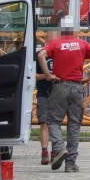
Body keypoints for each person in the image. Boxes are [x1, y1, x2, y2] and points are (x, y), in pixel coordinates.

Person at [38, 28, 90, 173]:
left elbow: (41, 55)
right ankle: (70, 164)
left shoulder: (55, 44)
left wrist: (48, 75)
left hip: (60, 86)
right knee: (74, 125)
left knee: (54, 121)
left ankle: (59, 148)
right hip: (77, 88)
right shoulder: (82, 44)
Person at [35, 36, 55, 165]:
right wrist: (47, 76)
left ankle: (55, 150)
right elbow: (33, 75)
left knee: (55, 124)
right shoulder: (38, 55)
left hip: (58, 92)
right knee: (43, 122)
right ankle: (44, 151)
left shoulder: (61, 53)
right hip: (43, 92)